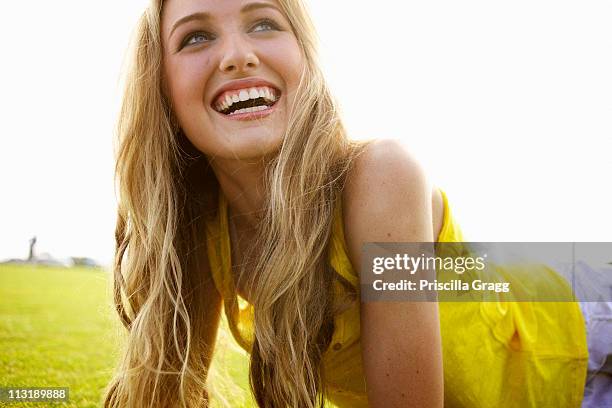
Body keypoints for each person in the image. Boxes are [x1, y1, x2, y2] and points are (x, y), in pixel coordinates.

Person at [103, 0, 607, 407]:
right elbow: (164, 393)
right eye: (196, 36)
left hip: (577, 320)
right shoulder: (196, 229)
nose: (237, 54)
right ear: (162, 87)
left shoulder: (381, 177)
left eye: (263, 23)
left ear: (306, 61)